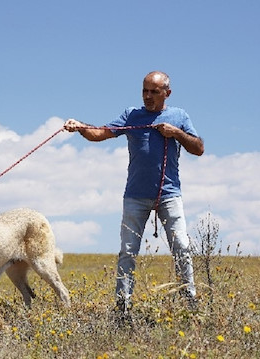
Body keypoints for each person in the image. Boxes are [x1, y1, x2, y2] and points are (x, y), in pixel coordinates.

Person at [64, 71, 204, 318]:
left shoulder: (179, 116)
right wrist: (80, 127)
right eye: (145, 91)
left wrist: (176, 133)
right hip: (135, 196)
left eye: (154, 92)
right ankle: (123, 307)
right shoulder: (131, 115)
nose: (148, 96)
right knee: (128, 251)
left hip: (169, 194)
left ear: (167, 93)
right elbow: (100, 133)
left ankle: (189, 302)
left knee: (181, 245)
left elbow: (199, 148)